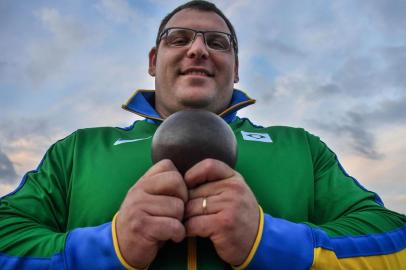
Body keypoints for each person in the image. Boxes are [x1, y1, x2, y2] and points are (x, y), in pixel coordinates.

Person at [0, 0, 405, 269]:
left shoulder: (301, 147)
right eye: (179, 38)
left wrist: (271, 240)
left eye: (218, 42)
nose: (198, 49)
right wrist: (110, 245)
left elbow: (394, 237)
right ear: (154, 60)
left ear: (237, 67)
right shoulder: (78, 150)